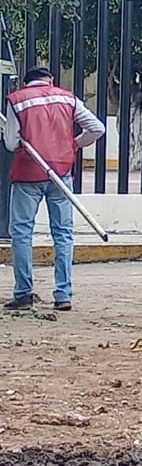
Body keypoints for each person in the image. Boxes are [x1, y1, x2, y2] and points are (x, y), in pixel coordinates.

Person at [3, 66, 106, 312]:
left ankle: (23, 292)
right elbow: (97, 128)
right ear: (49, 80)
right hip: (61, 172)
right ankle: (63, 295)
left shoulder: (16, 100)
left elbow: (10, 143)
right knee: (63, 233)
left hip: (28, 173)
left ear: (27, 82)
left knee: (21, 232)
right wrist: (73, 145)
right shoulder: (67, 97)